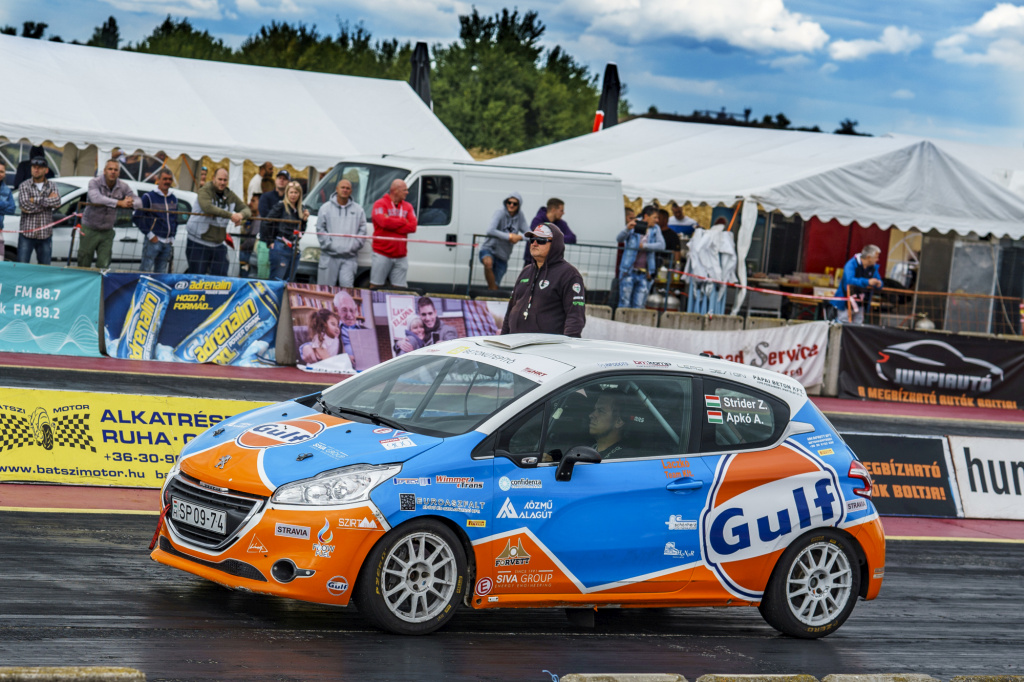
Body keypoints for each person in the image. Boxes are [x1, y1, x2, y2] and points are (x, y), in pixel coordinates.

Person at [502, 223, 586, 337]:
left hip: (546, 349)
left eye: (541, 240)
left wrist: (566, 350)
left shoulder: (569, 275)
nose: (534, 243)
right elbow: (509, 312)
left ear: (555, 244)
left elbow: (575, 318)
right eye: (532, 239)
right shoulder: (526, 271)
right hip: (515, 345)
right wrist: (503, 339)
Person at [185, 167, 250, 276]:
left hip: (218, 244)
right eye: (220, 179)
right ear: (213, 178)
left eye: (225, 180)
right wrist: (231, 216)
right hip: (198, 242)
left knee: (221, 278)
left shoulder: (230, 195)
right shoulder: (204, 191)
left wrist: (240, 215)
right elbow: (208, 208)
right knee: (196, 278)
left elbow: (247, 210)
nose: (222, 182)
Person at [78, 159, 136, 269]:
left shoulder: (124, 186)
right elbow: (96, 199)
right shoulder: (94, 182)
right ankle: (83, 285)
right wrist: (119, 203)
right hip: (90, 228)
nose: (113, 172)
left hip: (107, 231)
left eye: (116, 170)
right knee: (84, 262)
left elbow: (136, 200)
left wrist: (130, 201)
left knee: (104, 264)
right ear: (104, 171)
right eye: (110, 169)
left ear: (119, 173)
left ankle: (101, 285)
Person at [317, 179, 367, 287]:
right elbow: (320, 228)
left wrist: (353, 246)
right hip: (329, 256)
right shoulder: (325, 208)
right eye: (342, 187)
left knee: (347, 289)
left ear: (351, 191)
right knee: (325, 291)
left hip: (349, 258)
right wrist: (330, 245)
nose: (345, 190)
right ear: (337, 189)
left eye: (347, 188)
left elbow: (363, 230)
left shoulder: (359, 210)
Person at [370, 179, 417, 289]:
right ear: (395, 190)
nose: (407, 192)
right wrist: (402, 221)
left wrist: (392, 223)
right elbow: (383, 222)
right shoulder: (379, 204)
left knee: (400, 289)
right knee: (376, 286)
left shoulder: (408, 206)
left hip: (401, 255)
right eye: (405, 190)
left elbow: (413, 227)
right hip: (382, 253)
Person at [616, 205, 666, 309]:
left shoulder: (656, 229)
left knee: (639, 306)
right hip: (628, 270)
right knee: (624, 303)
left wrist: (645, 246)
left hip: (645, 273)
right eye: (655, 217)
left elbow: (662, 245)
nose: (657, 220)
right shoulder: (634, 224)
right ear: (646, 216)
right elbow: (619, 239)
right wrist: (627, 229)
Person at [16, 157, 62, 265]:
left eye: (39, 168)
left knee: (45, 267)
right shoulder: (24, 185)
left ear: (46, 170)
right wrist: (47, 202)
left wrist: (34, 200)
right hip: (27, 233)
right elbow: (25, 206)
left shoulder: (52, 185)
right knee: (22, 265)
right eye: (34, 167)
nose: (36, 170)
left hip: (45, 234)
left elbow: (57, 202)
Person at [133, 168, 178, 274]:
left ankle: (157, 290)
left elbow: (175, 218)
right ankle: (142, 290)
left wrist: (172, 236)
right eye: (164, 179)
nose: (167, 181)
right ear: (158, 180)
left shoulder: (174, 198)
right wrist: (150, 235)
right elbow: (137, 217)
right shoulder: (148, 197)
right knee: (145, 270)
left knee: (161, 273)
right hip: (153, 241)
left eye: (169, 179)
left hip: (168, 242)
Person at [261, 180, 309, 281]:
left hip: (294, 249)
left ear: (300, 194)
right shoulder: (281, 206)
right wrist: (269, 241)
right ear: (287, 193)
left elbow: (301, 232)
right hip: (280, 247)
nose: (293, 195)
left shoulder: (301, 209)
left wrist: (304, 221)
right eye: (291, 192)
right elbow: (266, 222)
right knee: (277, 281)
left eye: (296, 192)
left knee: (289, 282)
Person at [480, 192, 526, 289]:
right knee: (488, 263)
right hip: (489, 249)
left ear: (519, 205)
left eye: (515, 203)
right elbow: (490, 230)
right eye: (509, 202)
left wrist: (519, 237)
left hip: (503, 255)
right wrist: (509, 236)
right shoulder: (500, 213)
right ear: (506, 203)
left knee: (495, 286)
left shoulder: (520, 217)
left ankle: (491, 295)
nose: (511, 205)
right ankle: (491, 293)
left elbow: (530, 234)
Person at [832, 244, 883, 324]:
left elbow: (879, 281)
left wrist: (879, 284)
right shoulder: (851, 264)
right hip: (846, 301)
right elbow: (849, 280)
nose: (877, 259)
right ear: (869, 257)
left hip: (861, 303)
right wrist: (867, 282)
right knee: (843, 323)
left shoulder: (873, 267)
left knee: (858, 325)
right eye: (876, 257)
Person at [525, 198, 576, 265]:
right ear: (553, 210)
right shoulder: (538, 220)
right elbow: (535, 236)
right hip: (531, 260)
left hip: (550, 261)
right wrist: (555, 237)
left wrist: (554, 237)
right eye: (561, 210)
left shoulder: (561, 223)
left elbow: (572, 238)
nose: (563, 213)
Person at [588, 391, 634, 459]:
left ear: (618, 422)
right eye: (595, 409)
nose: (591, 415)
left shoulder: (623, 459)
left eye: (601, 411)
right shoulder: (591, 449)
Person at [335, 290, 369, 367]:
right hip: (343, 367)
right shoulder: (333, 329)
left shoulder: (366, 330)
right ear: (337, 310)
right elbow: (318, 341)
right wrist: (305, 347)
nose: (349, 315)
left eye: (352, 310)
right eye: (344, 310)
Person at [238, 193, 261, 278]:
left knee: (235, 255)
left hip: (250, 253)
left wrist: (241, 247)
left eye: (253, 201)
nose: (250, 203)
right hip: (251, 252)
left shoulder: (259, 219)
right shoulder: (255, 218)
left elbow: (252, 240)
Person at [0, 161, 16, 260]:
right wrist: (4, 205)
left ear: (5, 174)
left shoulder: (6, 190)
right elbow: (8, 206)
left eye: (2, 171)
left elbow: (12, 209)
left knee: (0, 260)